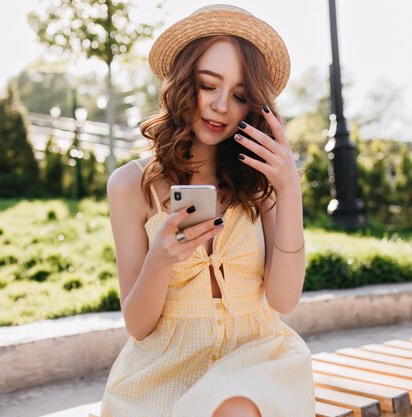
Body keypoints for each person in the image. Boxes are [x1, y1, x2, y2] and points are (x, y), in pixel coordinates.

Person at [100, 5, 314, 417]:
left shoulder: (261, 181)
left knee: (233, 410)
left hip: (257, 359)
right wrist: (160, 259)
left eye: (239, 96)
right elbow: (138, 325)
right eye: (207, 85)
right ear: (183, 84)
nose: (220, 106)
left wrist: (289, 190)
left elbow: (284, 300)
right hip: (164, 368)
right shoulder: (131, 185)